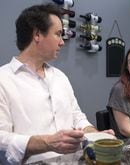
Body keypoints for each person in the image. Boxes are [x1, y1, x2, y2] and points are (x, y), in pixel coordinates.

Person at [0, 3, 114, 164]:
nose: (62, 42)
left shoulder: (60, 77)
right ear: (37, 34)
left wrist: (96, 135)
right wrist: (48, 143)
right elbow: (1, 139)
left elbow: (77, 117)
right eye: (58, 34)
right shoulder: (3, 80)